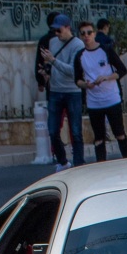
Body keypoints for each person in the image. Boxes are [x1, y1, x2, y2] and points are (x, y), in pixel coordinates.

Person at [74, 22, 127, 164]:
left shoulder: (106, 50)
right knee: (99, 137)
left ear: (94, 34)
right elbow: (77, 80)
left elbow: (122, 70)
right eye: (83, 33)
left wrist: (107, 77)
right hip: (94, 102)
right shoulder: (80, 56)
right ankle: (101, 166)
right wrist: (86, 85)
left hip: (111, 98)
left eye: (89, 32)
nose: (86, 36)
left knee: (119, 133)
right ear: (80, 36)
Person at [41, 14, 85, 170]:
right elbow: (54, 65)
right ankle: (62, 160)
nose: (57, 34)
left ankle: (79, 163)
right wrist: (46, 70)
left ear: (67, 27)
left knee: (75, 130)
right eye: (55, 31)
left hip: (72, 91)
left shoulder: (78, 45)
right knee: (52, 130)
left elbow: (73, 71)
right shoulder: (53, 42)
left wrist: (53, 61)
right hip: (55, 90)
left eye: (59, 30)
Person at [34, 11, 59, 95]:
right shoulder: (65, 39)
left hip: (49, 78)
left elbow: (39, 60)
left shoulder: (44, 40)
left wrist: (40, 81)